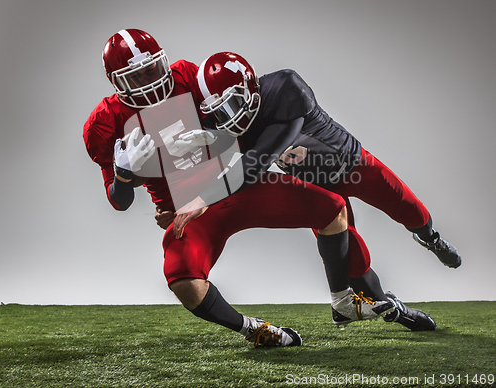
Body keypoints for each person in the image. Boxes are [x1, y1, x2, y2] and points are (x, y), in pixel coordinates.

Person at [83, 29, 395, 349]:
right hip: (188, 212)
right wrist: (123, 174)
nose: (151, 80)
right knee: (183, 280)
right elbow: (119, 202)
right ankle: (253, 330)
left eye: (154, 68)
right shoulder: (104, 123)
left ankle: (343, 300)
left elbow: (239, 128)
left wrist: (216, 139)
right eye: (138, 75)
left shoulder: (188, 76)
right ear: (117, 82)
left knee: (333, 208)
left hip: (235, 183)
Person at [176, 51, 462, 329]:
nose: (231, 117)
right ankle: (395, 310)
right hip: (319, 189)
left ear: (250, 87)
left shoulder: (286, 88)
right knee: (355, 268)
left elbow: (255, 163)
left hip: (353, 165)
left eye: (234, 104)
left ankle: (431, 238)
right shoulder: (224, 124)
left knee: (410, 209)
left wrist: (204, 193)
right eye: (221, 111)